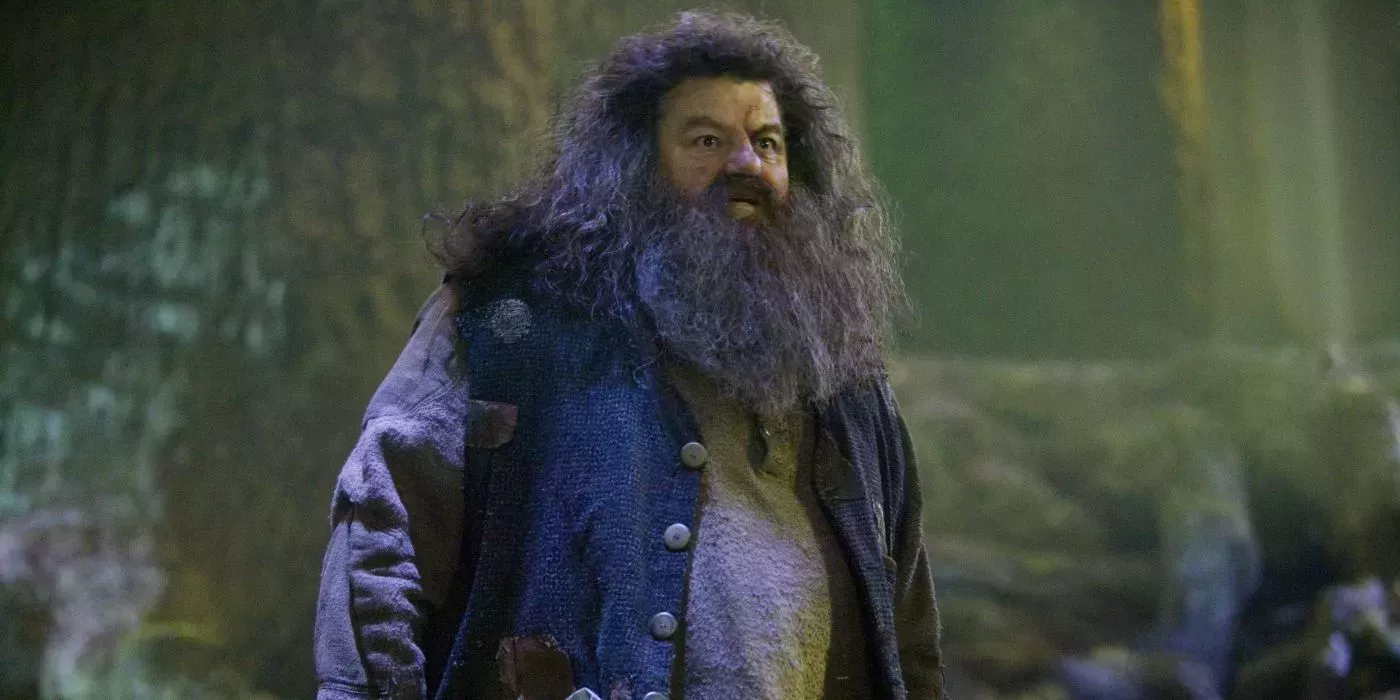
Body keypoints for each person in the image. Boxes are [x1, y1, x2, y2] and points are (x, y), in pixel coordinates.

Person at [313, 11, 945, 700]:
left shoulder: (845, 381)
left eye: (766, 141)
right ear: (637, 163)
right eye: (707, 140)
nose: (747, 166)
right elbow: (383, 537)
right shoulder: (507, 327)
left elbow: (909, 637)